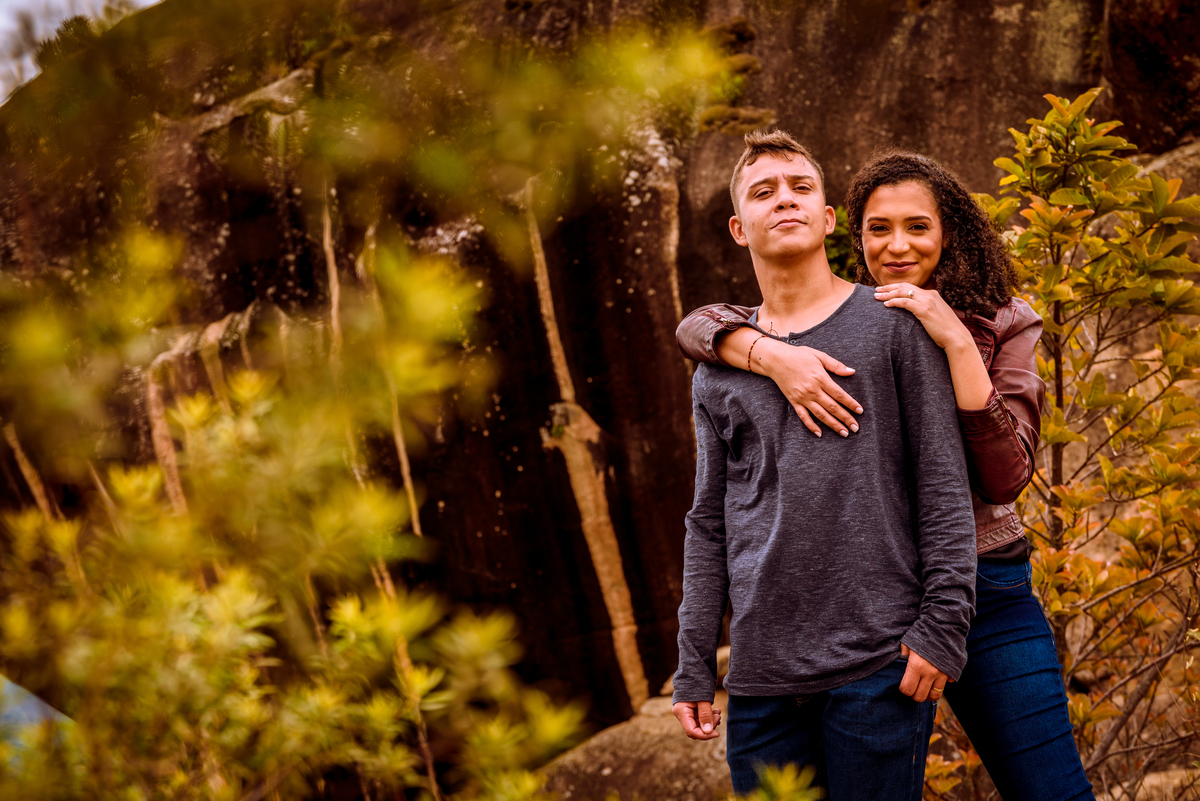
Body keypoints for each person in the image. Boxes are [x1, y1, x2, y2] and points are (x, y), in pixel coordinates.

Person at [675, 149, 1095, 801]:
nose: (897, 244)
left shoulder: (1002, 320)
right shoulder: (839, 322)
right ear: (854, 233)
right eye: (879, 228)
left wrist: (954, 338)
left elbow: (1004, 474)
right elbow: (700, 327)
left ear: (947, 232)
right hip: (869, 597)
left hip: (984, 585)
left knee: (1048, 790)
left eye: (917, 226)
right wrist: (761, 352)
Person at [669, 130, 978, 800]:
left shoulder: (894, 325)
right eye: (764, 191)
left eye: (801, 187)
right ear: (738, 227)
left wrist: (943, 625)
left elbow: (942, 485)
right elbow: (709, 524)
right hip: (760, 679)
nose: (784, 200)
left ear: (829, 217)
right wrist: (694, 662)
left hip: (877, 664)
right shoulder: (719, 367)